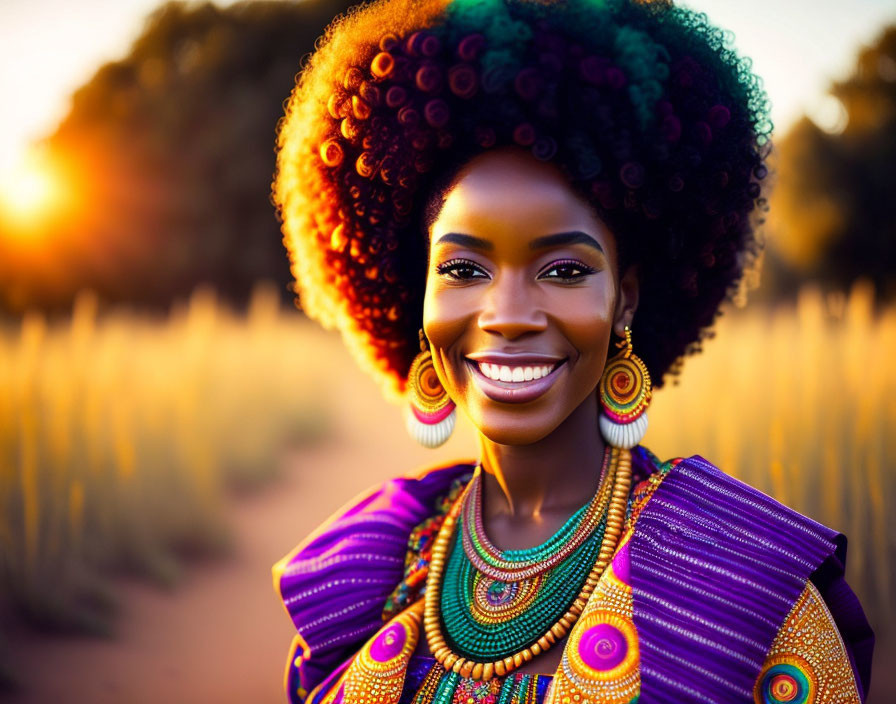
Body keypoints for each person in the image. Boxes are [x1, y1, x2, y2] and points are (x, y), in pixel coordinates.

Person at [270, 1, 874, 702]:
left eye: (563, 270)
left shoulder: (750, 593)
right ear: (418, 297)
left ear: (627, 297)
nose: (508, 316)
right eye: (464, 270)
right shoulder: (364, 572)